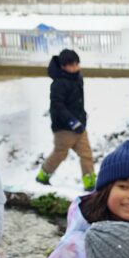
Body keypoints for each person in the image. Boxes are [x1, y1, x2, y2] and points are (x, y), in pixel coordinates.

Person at [37, 48, 96, 190]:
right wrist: (71, 121)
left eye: (77, 64)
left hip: (79, 126)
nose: (75, 67)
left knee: (86, 154)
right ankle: (43, 175)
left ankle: (90, 183)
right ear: (63, 66)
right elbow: (57, 106)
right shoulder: (59, 83)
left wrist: (82, 115)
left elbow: (77, 101)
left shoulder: (78, 78)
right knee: (60, 153)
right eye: (71, 65)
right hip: (64, 128)